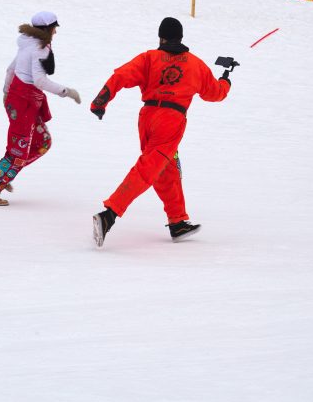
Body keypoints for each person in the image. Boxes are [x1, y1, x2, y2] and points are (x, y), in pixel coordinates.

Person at [89, 18, 233, 247]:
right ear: (181, 37)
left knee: (166, 168)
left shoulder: (149, 58)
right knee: (148, 169)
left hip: (147, 118)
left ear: (161, 37)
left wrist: (100, 100)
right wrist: (226, 81)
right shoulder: (195, 64)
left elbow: (121, 76)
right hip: (171, 121)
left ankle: (178, 222)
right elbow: (215, 93)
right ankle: (109, 215)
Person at [0, 12, 81, 206]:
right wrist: (67, 92)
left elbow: (11, 69)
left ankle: (2, 177)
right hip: (24, 104)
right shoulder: (39, 49)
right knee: (18, 151)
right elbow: (39, 80)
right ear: (46, 29)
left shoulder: (28, 43)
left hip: (22, 101)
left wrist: (6, 93)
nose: (56, 32)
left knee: (43, 142)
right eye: (54, 28)